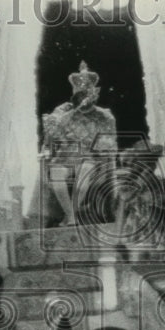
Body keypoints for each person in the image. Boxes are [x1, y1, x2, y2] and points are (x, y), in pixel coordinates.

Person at [39, 61, 117, 227]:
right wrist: (73, 110)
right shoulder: (63, 110)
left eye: (86, 92)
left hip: (89, 158)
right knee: (56, 176)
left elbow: (110, 141)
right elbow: (51, 130)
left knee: (83, 180)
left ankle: (70, 218)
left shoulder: (104, 115)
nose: (83, 97)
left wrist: (104, 147)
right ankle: (72, 217)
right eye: (79, 93)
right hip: (64, 157)